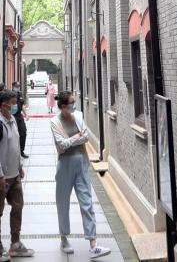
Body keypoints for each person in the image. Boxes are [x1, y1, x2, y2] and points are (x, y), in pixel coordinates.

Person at [50, 91, 110, 258]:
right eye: (71, 103)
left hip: (81, 163)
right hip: (65, 165)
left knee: (87, 202)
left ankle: (93, 244)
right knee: (62, 202)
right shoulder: (54, 122)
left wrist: (72, 139)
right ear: (63, 106)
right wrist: (77, 137)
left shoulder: (78, 115)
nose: (74, 105)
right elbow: (61, 145)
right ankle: (64, 238)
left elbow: (86, 137)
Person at [0, 89, 35, 261]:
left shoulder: (13, 119)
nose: (16, 105)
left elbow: (15, 146)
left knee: (18, 206)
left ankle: (15, 244)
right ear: (3, 105)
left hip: (14, 175)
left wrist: (19, 166)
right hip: (0, 178)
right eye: (13, 103)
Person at [11, 81, 28, 159]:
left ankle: (21, 151)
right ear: (13, 86)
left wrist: (26, 114)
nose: (18, 87)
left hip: (19, 116)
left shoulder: (20, 94)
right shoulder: (10, 94)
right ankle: (14, 152)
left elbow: (22, 105)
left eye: (18, 86)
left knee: (23, 132)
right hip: (12, 116)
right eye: (16, 86)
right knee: (14, 135)